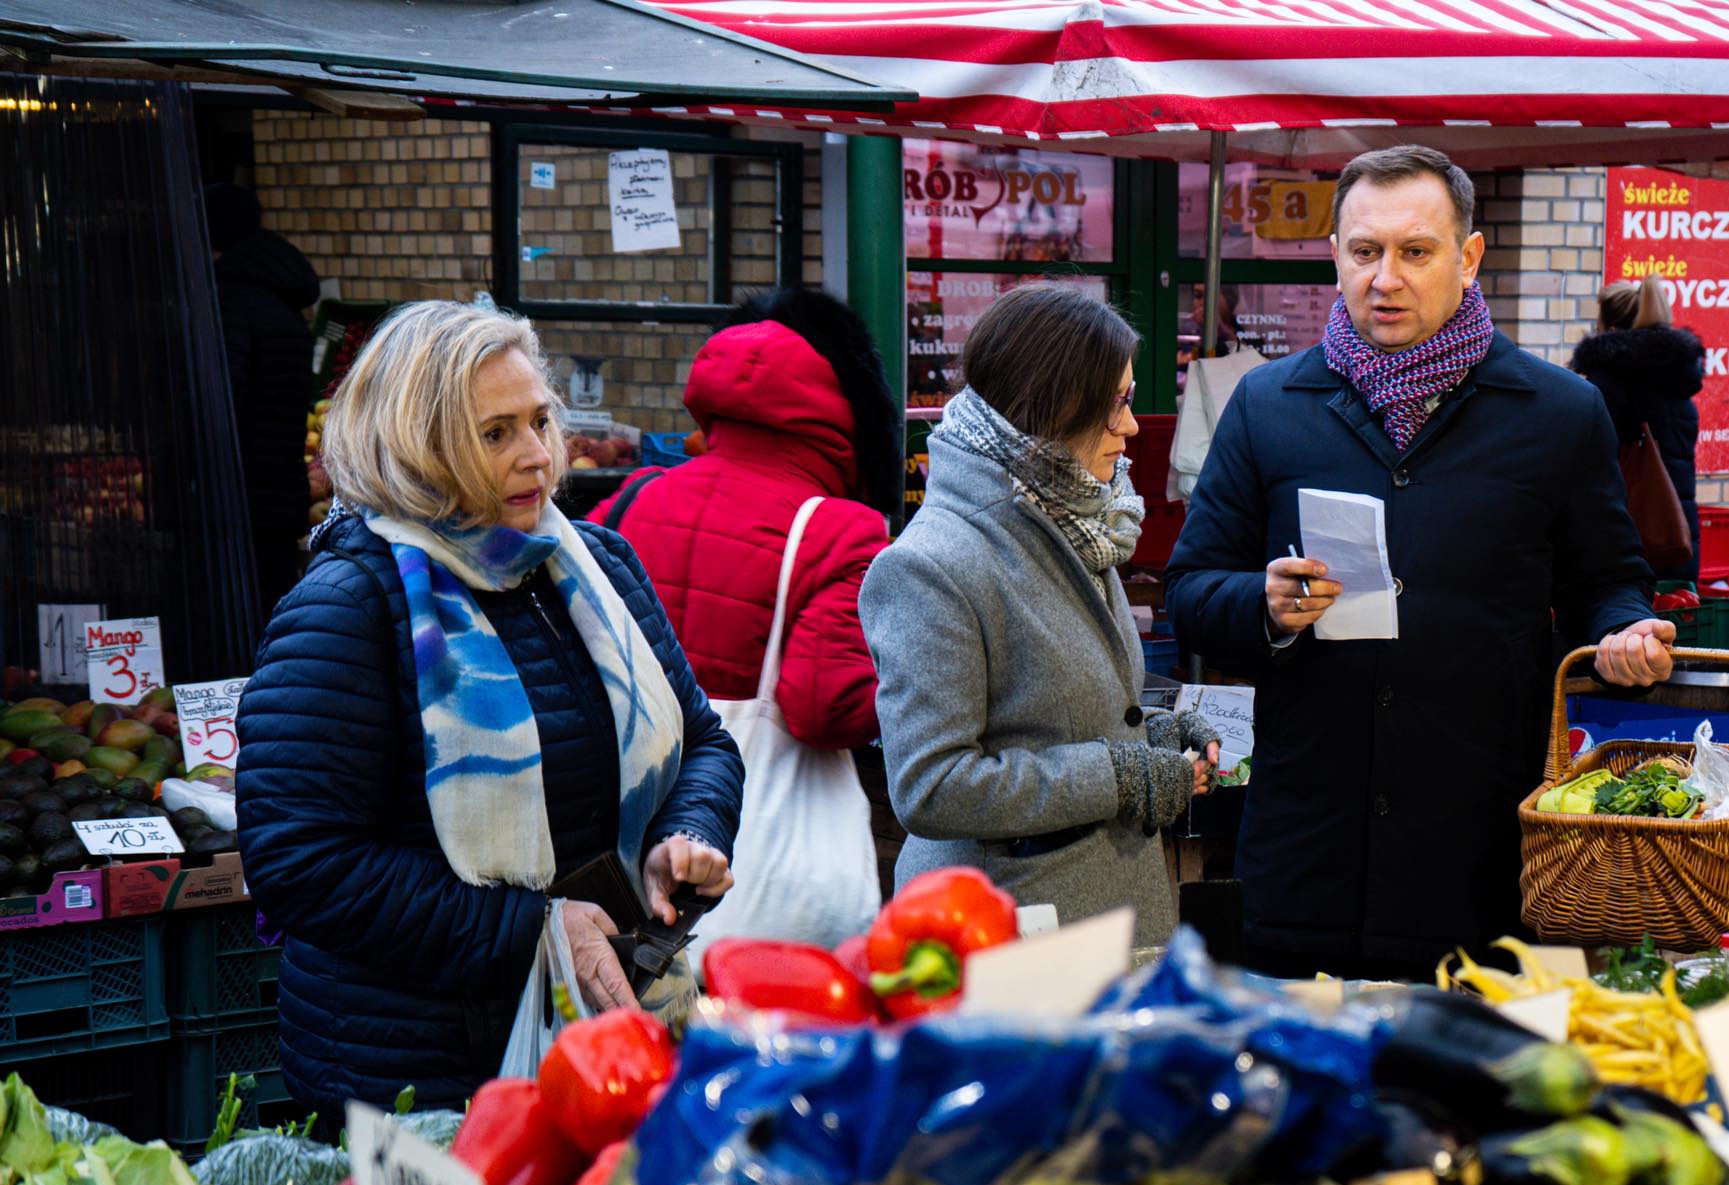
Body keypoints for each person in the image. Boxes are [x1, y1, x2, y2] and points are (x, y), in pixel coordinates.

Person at [1165, 145, 1672, 981]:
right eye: (1365, 251)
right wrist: (1263, 604)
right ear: (1335, 255)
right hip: (1305, 858)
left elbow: (1607, 583)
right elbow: (1190, 592)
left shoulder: (1558, 413)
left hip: (1481, 865)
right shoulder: (1268, 405)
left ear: (1468, 258)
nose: (1385, 278)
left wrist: (1624, 632)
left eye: (1415, 251)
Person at [236, 300, 744, 1112]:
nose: (538, 455)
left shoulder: (598, 564)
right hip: (419, 1076)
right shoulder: (349, 607)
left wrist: (685, 836)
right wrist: (532, 929)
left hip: (608, 1036)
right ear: (418, 446)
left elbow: (704, 740)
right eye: (495, 433)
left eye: (540, 420)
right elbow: (300, 862)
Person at [861, 284, 1219, 949]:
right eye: (1116, 403)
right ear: (1054, 406)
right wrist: (1122, 775)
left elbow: (1054, 716)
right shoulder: (931, 565)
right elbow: (931, 787)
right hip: (1003, 937)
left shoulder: (1077, 515)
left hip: (1107, 921)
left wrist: (1156, 734)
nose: (1131, 428)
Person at [590, 289, 896, 955]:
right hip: (771, 895)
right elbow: (824, 709)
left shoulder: (628, 501)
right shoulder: (841, 530)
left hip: (626, 860)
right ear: (841, 416)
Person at [206, 183, 321, 616]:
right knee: (272, 611)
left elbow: (222, 403)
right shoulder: (282, 301)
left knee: (236, 616)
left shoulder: (230, 303)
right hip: (280, 492)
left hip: (236, 500)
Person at [1570, 275, 1705, 582]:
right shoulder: (1678, 383)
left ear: (1610, 330)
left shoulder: (1607, 388)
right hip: (1676, 540)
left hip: (1622, 547)